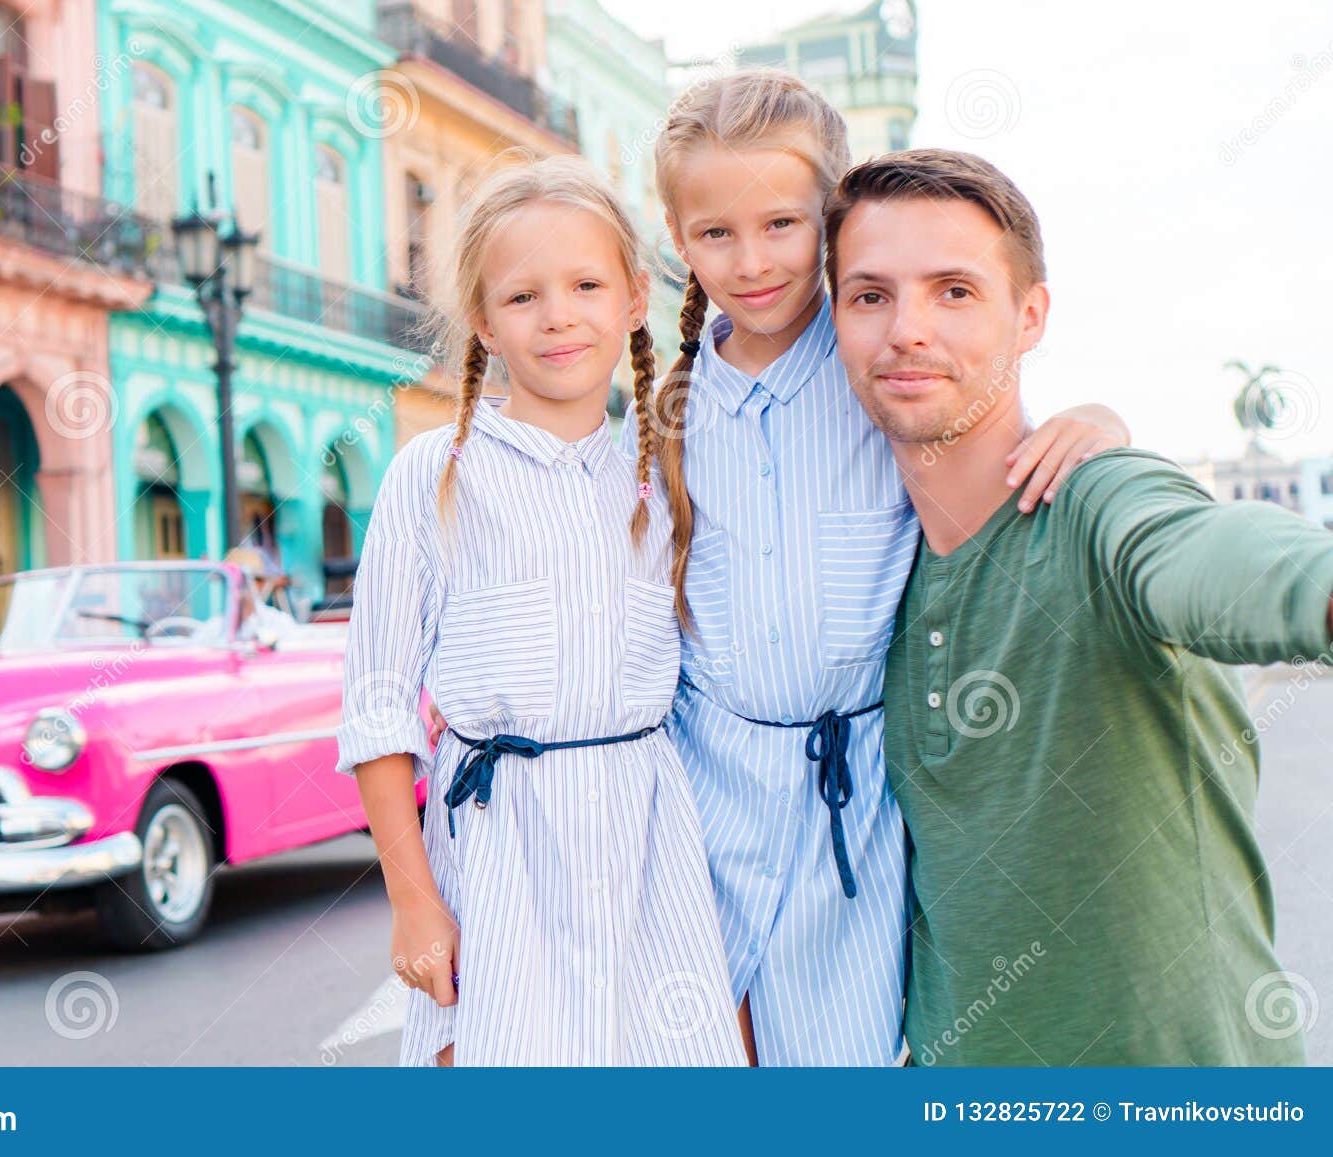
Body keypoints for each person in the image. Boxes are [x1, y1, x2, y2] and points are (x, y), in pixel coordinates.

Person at [628, 69, 1131, 1065]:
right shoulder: (668, 409)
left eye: (781, 224)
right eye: (713, 233)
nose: (751, 260)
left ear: (830, 217)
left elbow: (990, 440)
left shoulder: (877, 364)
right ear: (677, 239)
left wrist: (1101, 423)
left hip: (849, 802)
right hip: (699, 795)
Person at [826, 146, 1333, 1065]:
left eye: (954, 291)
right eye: (869, 296)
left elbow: (1212, 559)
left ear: (1030, 317)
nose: (907, 329)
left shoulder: (1100, 501)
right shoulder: (864, 576)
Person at [335, 154, 745, 1067]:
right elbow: (377, 705)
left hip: (648, 843)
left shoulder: (663, 471)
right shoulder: (434, 476)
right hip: (497, 848)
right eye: (522, 297)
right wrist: (413, 899)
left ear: (635, 299)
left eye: (587, 284)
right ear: (483, 320)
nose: (559, 314)